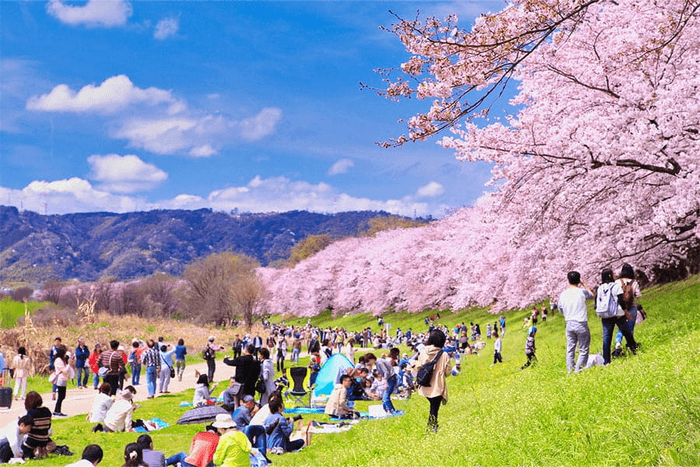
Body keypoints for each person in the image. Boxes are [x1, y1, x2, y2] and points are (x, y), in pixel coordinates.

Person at [598, 268, 638, 364]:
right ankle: (633, 349)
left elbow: (597, 301)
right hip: (617, 314)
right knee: (627, 332)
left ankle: (607, 360)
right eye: (613, 274)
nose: (615, 275)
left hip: (605, 315)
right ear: (609, 276)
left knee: (607, 337)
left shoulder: (600, 288)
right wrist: (625, 311)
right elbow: (621, 300)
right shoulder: (615, 286)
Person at [558, 270, 595, 373]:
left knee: (571, 348)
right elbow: (592, 294)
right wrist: (584, 284)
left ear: (568, 280)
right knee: (583, 348)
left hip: (569, 323)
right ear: (579, 280)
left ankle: (570, 370)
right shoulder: (582, 292)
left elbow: (560, 309)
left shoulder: (563, 294)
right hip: (581, 323)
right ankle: (578, 369)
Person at [415, 329, 451, 433]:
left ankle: (433, 426)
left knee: (433, 407)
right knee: (434, 408)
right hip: (437, 385)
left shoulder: (423, 352)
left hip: (425, 384)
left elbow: (418, 367)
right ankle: (431, 428)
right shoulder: (444, 355)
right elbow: (447, 372)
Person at [232, 395, 273, 465]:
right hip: (242, 432)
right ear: (249, 403)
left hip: (238, 431)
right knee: (254, 428)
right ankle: (265, 428)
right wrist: (255, 413)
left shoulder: (239, 409)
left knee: (259, 430)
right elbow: (252, 422)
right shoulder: (245, 410)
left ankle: (265, 428)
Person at [22, 392, 52, 459]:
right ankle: (41, 449)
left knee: (22, 446)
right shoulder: (47, 410)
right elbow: (49, 426)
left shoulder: (31, 412)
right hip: (45, 439)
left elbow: (28, 428)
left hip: (33, 439)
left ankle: (34, 451)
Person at [619, 263, 643, 338]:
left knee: (621, 326)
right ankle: (630, 344)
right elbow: (638, 295)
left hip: (620, 307)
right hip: (631, 306)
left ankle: (618, 341)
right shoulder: (633, 282)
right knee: (630, 326)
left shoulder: (618, 282)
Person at [53, 345, 71, 417]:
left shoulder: (63, 360)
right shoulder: (58, 360)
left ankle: (58, 410)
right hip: (60, 379)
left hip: (64, 380)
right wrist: (69, 364)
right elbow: (65, 371)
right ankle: (57, 411)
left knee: (62, 396)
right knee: (60, 396)